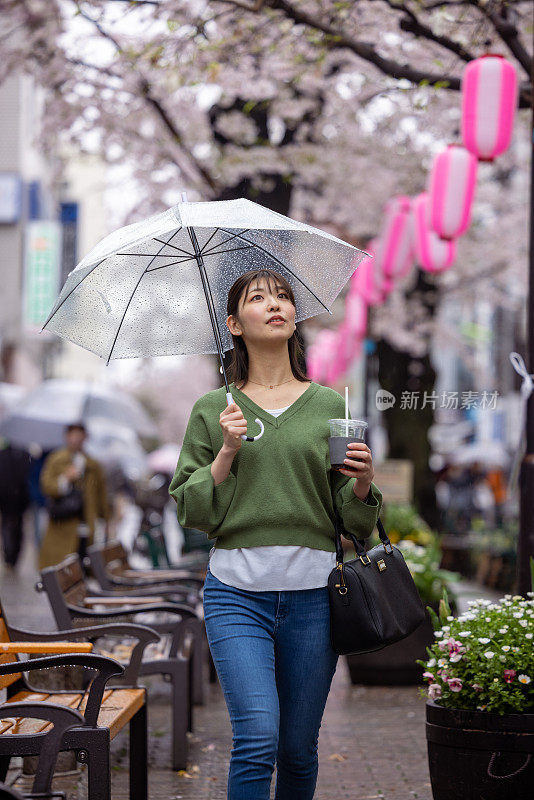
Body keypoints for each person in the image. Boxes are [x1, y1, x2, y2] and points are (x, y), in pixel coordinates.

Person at [169, 268, 382, 800]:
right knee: (258, 738)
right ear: (233, 324)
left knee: (297, 748)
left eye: (283, 297)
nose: (275, 305)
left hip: (315, 596)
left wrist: (363, 484)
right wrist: (226, 453)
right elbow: (191, 510)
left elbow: (349, 517)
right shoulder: (213, 410)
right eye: (258, 298)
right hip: (236, 594)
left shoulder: (332, 406)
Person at [39, 422, 111, 569]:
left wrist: (105, 519)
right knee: (62, 567)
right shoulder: (57, 459)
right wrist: (66, 478)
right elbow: (47, 487)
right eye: (72, 435)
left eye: (79, 435)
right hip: (63, 522)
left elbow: (101, 495)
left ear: (85, 437)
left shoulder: (92, 464)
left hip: (86, 522)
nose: (76, 439)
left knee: (83, 565)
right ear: (66, 436)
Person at [0, 438, 31, 569]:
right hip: (16, 499)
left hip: (10, 498)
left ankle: (10, 555)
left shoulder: (4, 454)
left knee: (9, 526)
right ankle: (11, 555)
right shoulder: (25, 455)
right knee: (14, 527)